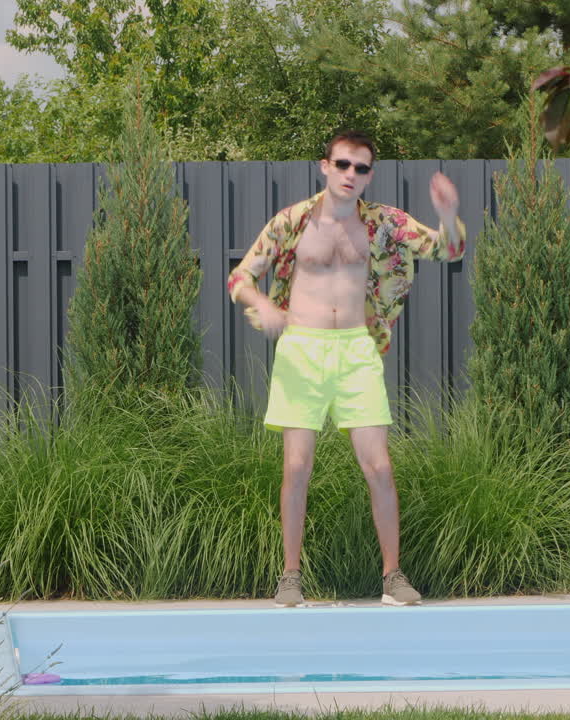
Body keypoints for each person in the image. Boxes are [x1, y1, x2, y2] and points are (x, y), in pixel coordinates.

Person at [226, 130, 465, 607]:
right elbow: (240, 277)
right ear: (325, 166)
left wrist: (447, 215)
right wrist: (265, 309)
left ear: (370, 175)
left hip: (357, 350)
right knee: (296, 466)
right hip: (302, 350)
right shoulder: (292, 221)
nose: (350, 175)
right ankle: (290, 576)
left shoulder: (383, 223)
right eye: (342, 165)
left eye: (360, 168)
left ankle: (393, 576)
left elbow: (449, 249)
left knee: (379, 466)